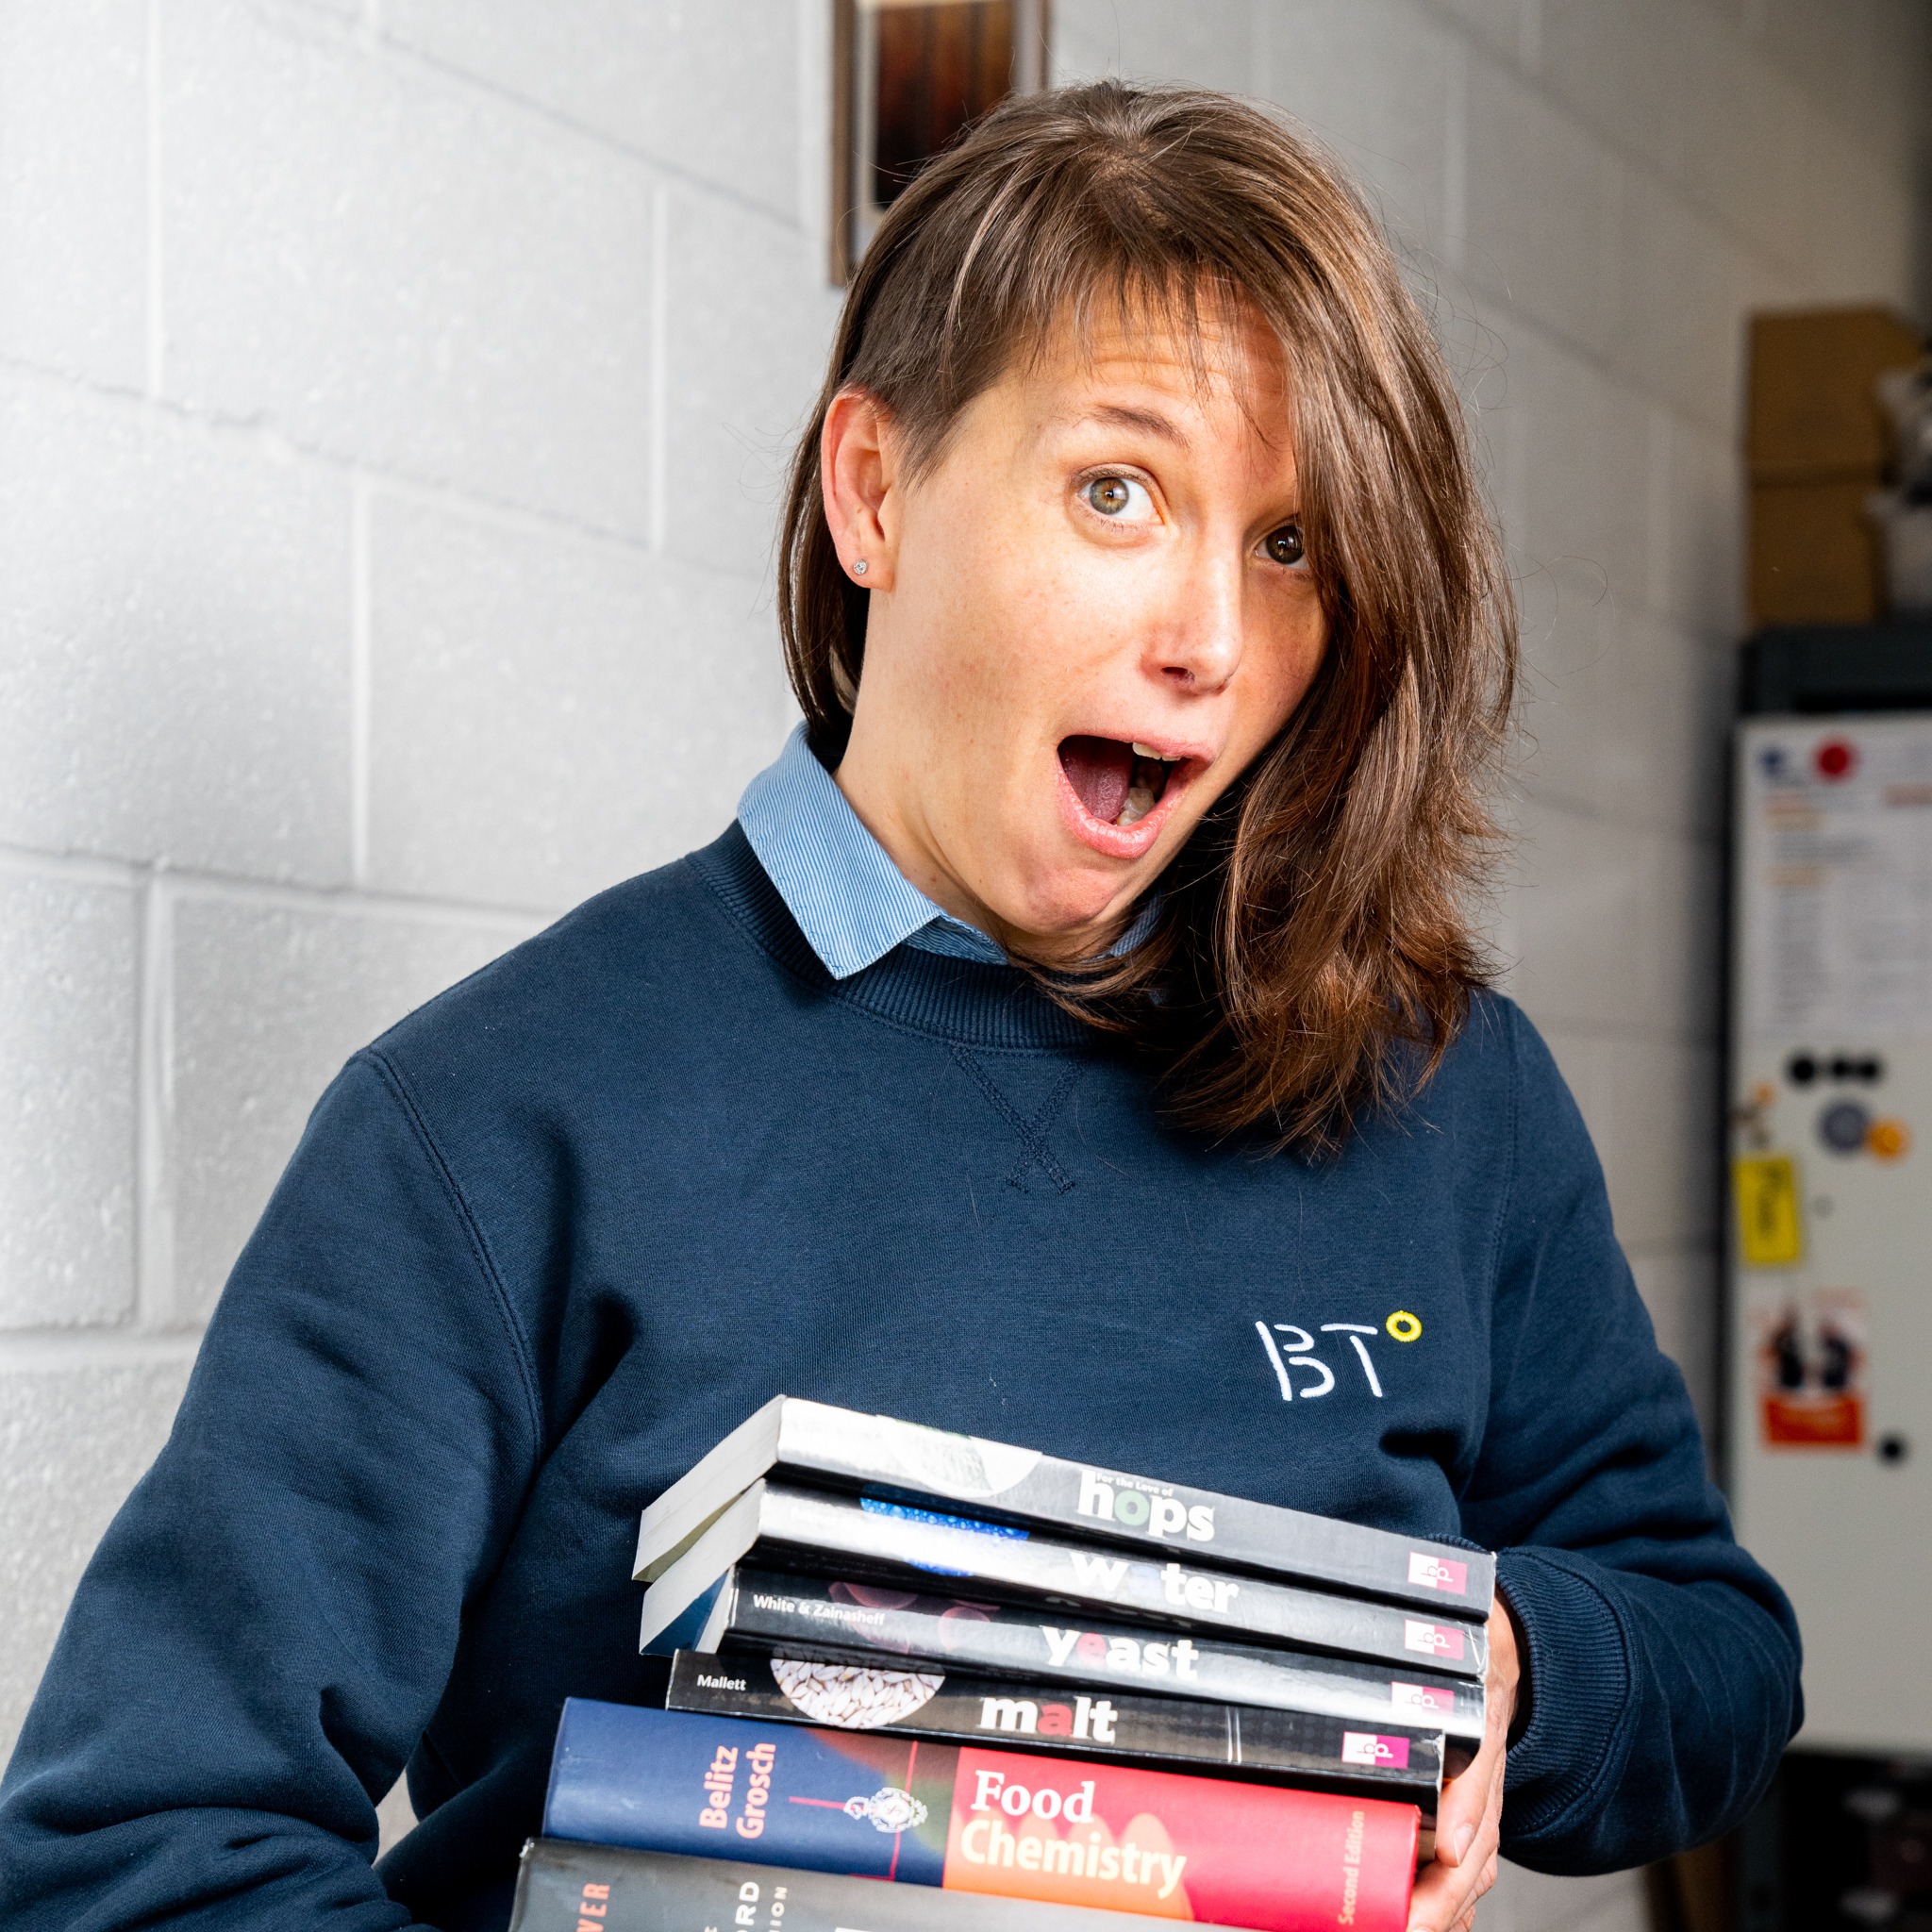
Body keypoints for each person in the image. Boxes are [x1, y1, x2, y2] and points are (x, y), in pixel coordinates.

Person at [0, 81, 1798, 1932]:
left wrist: (1502, 1663)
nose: (1209, 634)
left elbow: (1712, 1650)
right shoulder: (495, 1120)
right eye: (1119, 490)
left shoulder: (1439, 1086)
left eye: (1288, 542)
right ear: (876, 490)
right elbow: (136, 1860)